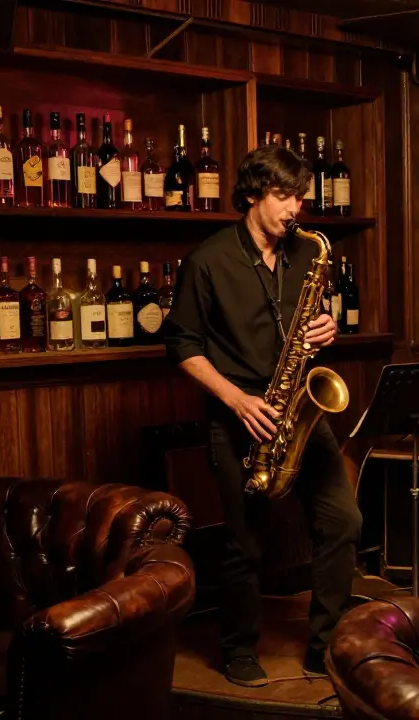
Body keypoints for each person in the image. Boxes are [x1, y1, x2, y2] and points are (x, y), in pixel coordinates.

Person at [164, 145, 360, 686]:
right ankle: (238, 649)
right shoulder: (209, 260)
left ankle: (325, 647)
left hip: (299, 408)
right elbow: (181, 346)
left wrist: (327, 327)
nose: (294, 208)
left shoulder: (304, 252)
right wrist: (236, 400)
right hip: (241, 414)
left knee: (344, 521)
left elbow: (308, 321)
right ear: (251, 194)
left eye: (299, 196)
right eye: (282, 196)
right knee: (245, 542)